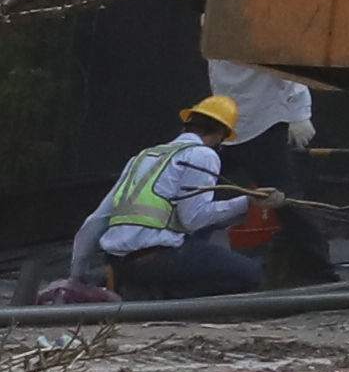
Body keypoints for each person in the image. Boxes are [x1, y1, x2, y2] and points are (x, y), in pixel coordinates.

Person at [81, 100, 271, 301]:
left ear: (186, 126)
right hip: (155, 260)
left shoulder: (143, 156)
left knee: (203, 244)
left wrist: (77, 275)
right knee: (253, 274)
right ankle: (160, 296)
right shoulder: (203, 154)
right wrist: (246, 201)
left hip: (119, 263)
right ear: (219, 134)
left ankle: (137, 287)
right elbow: (194, 218)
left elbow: (95, 220)